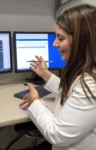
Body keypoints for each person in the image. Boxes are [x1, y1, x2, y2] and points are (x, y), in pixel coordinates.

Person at [19, 4, 96, 150]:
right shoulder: (86, 71)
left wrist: (34, 101)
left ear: (82, 40)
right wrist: (45, 74)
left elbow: (57, 134)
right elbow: (74, 91)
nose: (54, 44)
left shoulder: (91, 83)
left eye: (60, 38)